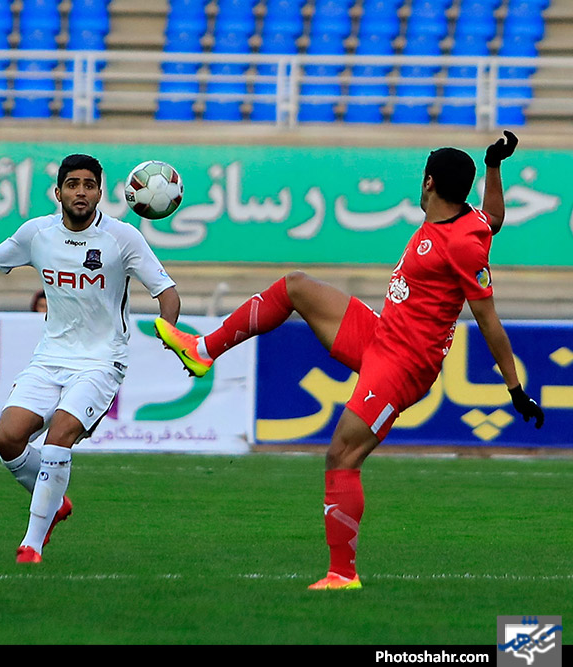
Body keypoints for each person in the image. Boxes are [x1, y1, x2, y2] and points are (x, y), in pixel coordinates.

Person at [153, 131, 544, 590]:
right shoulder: (472, 220)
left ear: (429, 183)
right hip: (381, 335)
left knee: (342, 454)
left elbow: (489, 321)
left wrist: (515, 389)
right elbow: (494, 217)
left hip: (404, 364)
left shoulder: (461, 244)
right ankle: (204, 350)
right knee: (296, 286)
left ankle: (342, 574)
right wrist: (495, 166)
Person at [0, 154, 181, 563]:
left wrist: (168, 326)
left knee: (58, 437)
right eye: (72, 184)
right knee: (7, 438)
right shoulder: (37, 234)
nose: (80, 192)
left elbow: (166, 291)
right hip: (50, 358)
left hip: (102, 361)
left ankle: (31, 542)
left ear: (100, 193)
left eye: (89, 185)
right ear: (58, 192)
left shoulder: (122, 238)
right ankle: (54, 502)